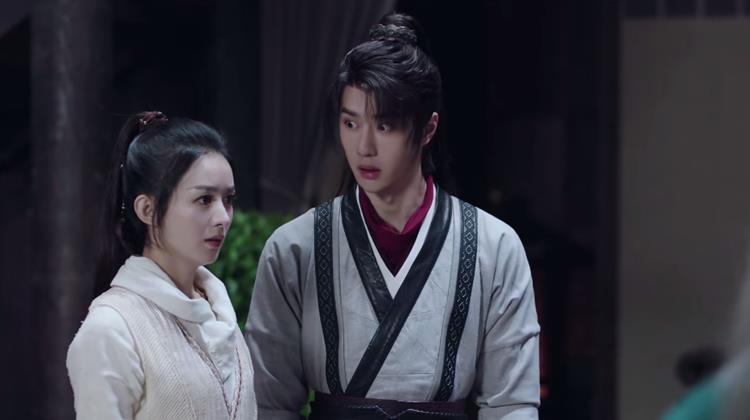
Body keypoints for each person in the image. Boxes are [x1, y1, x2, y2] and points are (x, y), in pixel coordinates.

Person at [245, 13, 540, 419]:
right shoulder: (295, 248)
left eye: (385, 126)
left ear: (428, 128)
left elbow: (512, 405)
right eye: (351, 123)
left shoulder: (495, 247)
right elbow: (269, 404)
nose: (364, 146)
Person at [66, 111, 257, 420]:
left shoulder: (220, 312)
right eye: (204, 200)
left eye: (228, 199)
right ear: (147, 208)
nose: (223, 217)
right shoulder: (112, 327)